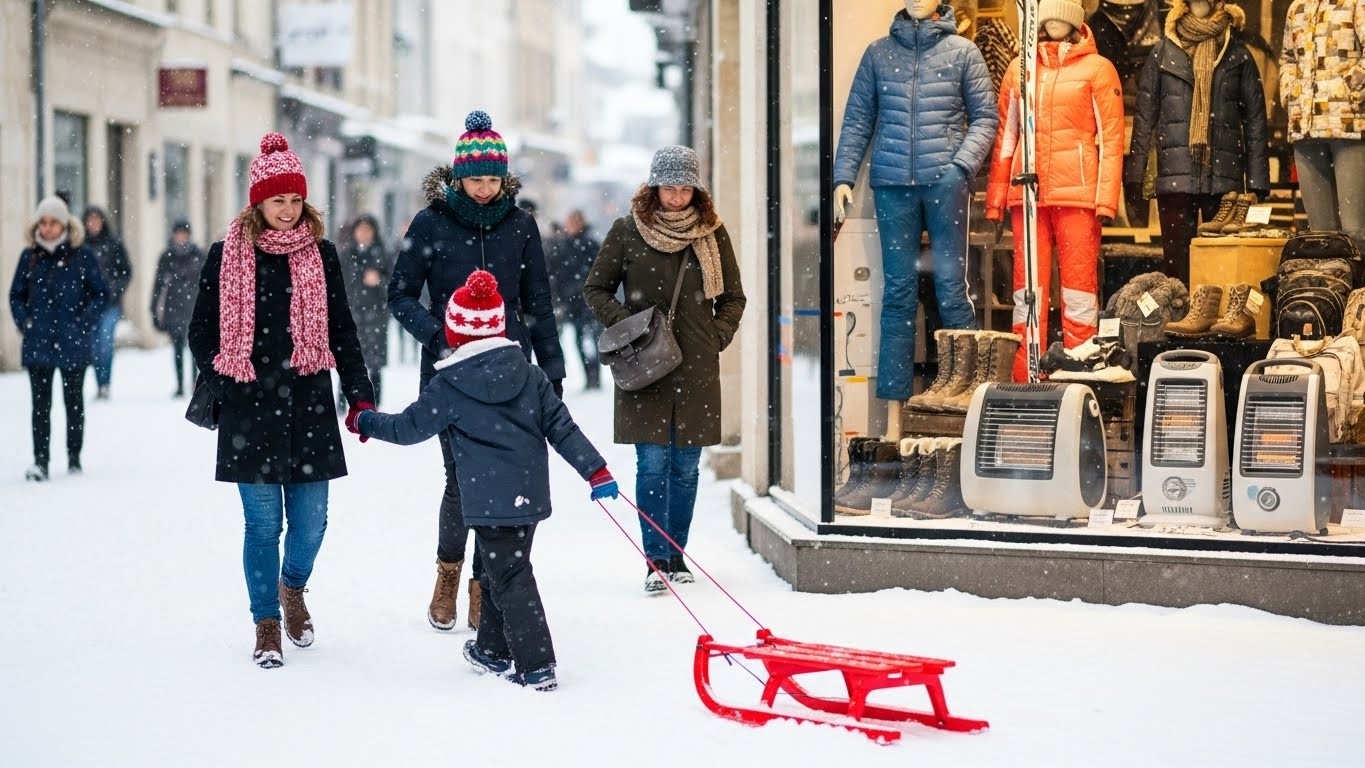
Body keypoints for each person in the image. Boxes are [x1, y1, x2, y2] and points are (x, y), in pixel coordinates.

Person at [351, 270, 618, 692]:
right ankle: (492, 650)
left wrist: (365, 420)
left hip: (487, 499)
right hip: (527, 496)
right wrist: (595, 469)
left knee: (510, 576)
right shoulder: (529, 375)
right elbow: (563, 428)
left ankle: (537, 665)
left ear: (456, 331)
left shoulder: (449, 384)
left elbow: (407, 429)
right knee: (503, 570)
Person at [186, 133, 375, 669]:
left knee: (312, 521)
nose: (287, 211)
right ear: (258, 202)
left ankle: (294, 586)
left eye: (295, 201)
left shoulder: (323, 254)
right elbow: (201, 332)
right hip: (249, 408)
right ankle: (266, 619)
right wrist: (227, 382)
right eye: (277, 201)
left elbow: (342, 329)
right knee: (262, 526)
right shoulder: (228, 256)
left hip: (310, 403)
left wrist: (359, 394)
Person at [388, 110, 565, 632]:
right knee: (461, 481)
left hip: (512, 372)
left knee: (503, 479)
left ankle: (486, 586)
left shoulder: (521, 224)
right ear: (457, 176)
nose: (485, 190)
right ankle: (449, 572)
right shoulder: (431, 223)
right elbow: (399, 294)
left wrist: (551, 369)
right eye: (475, 179)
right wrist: (439, 336)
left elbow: (539, 303)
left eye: (493, 179)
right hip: (451, 373)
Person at [582, 145, 747, 594]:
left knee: (686, 468)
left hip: (696, 367)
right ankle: (656, 560)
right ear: (653, 188)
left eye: (685, 188)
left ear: (696, 190)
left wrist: (716, 336)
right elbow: (595, 289)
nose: (677, 197)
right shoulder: (627, 231)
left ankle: (678, 556)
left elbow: (734, 297)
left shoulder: (711, 234)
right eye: (669, 188)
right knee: (652, 463)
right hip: (645, 367)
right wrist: (631, 329)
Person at [831, 0, 998, 438]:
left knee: (951, 289)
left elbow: (986, 118)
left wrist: (960, 167)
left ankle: (967, 404)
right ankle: (893, 422)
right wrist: (843, 177)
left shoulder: (963, 52)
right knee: (899, 295)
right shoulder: (878, 53)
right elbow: (856, 122)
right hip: (891, 184)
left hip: (945, 183)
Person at [985, 0, 1124, 381]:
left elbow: (1112, 140)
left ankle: (1079, 368)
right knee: (1026, 291)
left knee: (1079, 288)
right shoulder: (1020, 69)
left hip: (1077, 192)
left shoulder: (1098, 70)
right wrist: (997, 198)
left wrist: (1105, 198)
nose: (1057, 23)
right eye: (1050, 15)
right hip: (1026, 194)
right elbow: (1006, 137)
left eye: (1065, 15)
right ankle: (1025, 374)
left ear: (1077, 20)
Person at [1125, 0, 1269, 285]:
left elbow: (1255, 120)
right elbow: (1145, 117)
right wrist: (1135, 174)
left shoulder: (1237, 55)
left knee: (1222, 268)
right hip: (1175, 177)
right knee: (1177, 269)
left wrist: (1257, 181)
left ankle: (1216, 327)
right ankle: (1179, 319)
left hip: (1223, 183)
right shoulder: (1162, 55)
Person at [9, 196, 111, 481]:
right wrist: (25, 322)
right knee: (40, 406)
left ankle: (74, 457)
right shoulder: (29, 257)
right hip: (38, 342)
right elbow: (16, 295)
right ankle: (40, 461)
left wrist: (83, 323)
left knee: (73, 402)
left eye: (53, 222)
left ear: (64, 223)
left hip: (72, 343)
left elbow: (101, 293)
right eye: (42, 222)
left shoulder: (82, 255)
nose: (47, 227)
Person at [1279, 0, 1365, 255]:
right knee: (1320, 233)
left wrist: (1350, 87)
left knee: (1355, 230)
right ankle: (1331, 289)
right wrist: (1289, 93)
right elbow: (1287, 58)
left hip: (1348, 126)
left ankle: (1359, 290)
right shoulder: (1298, 8)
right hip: (1305, 129)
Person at [547, 210, 604, 390]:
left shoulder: (590, 244)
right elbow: (554, 274)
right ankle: (589, 377)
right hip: (572, 302)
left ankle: (594, 377)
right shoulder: (561, 246)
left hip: (589, 301)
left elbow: (601, 271)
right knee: (580, 340)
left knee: (591, 340)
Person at [150, 219, 207, 397]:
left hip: (194, 307)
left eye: (184, 233)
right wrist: (153, 310)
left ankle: (194, 383)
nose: (181, 237)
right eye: (178, 233)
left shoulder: (199, 254)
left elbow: (208, 283)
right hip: (174, 307)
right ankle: (180, 384)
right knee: (177, 347)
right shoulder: (167, 256)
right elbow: (158, 286)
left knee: (195, 349)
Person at [82, 206, 132, 400]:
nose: (93, 224)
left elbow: (126, 271)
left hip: (111, 304)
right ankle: (99, 383)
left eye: (96, 220)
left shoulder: (113, 243)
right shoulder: (83, 246)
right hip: (90, 304)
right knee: (94, 346)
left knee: (105, 342)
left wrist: (115, 289)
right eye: (90, 220)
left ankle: (105, 384)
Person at [341, 214, 391, 405]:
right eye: (360, 230)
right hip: (351, 315)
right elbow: (340, 284)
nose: (364, 234)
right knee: (348, 359)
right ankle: (343, 400)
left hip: (376, 315)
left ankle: (375, 401)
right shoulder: (346, 255)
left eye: (368, 230)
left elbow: (395, 285)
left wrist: (379, 281)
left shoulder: (382, 254)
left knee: (375, 363)